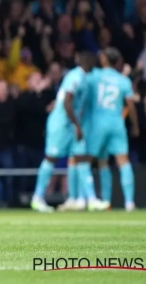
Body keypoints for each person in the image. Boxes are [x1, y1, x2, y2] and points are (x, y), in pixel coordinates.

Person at [31, 51, 108, 213]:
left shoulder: (83, 77)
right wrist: (77, 125)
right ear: (87, 61)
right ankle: (37, 198)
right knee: (51, 158)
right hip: (61, 124)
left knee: (81, 158)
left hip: (72, 125)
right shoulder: (75, 77)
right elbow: (67, 102)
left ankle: (91, 200)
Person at [86, 48, 139, 211]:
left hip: (97, 124)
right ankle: (129, 202)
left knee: (92, 161)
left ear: (104, 60)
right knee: (123, 161)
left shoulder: (94, 76)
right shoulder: (123, 80)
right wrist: (135, 125)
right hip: (117, 123)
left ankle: (100, 200)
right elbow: (130, 104)